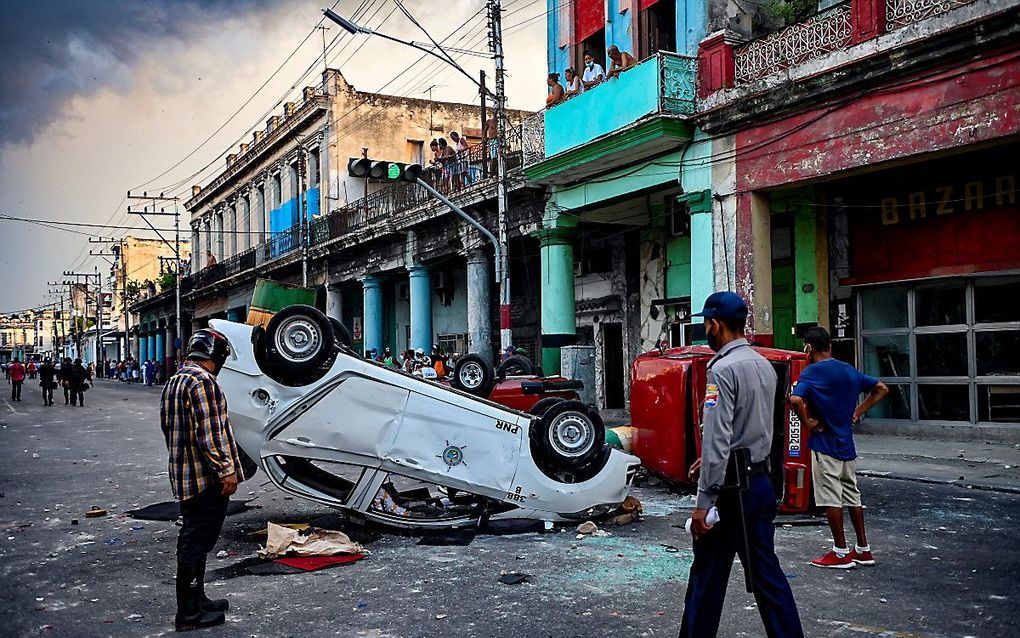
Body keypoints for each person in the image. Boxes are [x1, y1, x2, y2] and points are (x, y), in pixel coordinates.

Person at [679, 291, 803, 638]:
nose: (706, 329)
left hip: (731, 492)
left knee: (706, 578)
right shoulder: (764, 365)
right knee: (767, 577)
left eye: (706, 323)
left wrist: (703, 503)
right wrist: (712, 461)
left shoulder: (721, 369)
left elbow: (719, 438)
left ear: (715, 324)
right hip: (759, 483)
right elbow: (754, 428)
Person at [161, 329, 248, 631]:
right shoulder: (203, 382)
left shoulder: (176, 380)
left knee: (193, 537)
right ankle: (188, 614)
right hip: (206, 479)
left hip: (185, 475)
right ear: (217, 356)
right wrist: (226, 471)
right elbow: (210, 434)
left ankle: (197, 600)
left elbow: (169, 428)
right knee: (197, 541)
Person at [790, 326, 889, 569]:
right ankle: (863, 549)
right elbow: (881, 388)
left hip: (825, 445)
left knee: (830, 498)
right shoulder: (849, 371)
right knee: (852, 496)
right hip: (847, 445)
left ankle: (840, 551)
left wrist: (809, 422)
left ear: (809, 347)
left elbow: (794, 399)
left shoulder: (812, 373)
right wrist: (858, 411)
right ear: (830, 346)